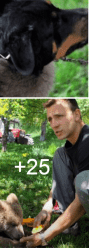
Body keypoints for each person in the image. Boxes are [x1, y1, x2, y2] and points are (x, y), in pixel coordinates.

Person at [20, 99, 89, 247]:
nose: (53, 125)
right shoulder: (70, 147)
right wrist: (47, 207)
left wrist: (45, 236)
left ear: (77, 114)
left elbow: (83, 198)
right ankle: (69, 223)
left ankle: (66, 221)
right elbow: (58, 183)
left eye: (59, 116)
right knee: (60, 155)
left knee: (84, 180)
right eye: (50, 119)